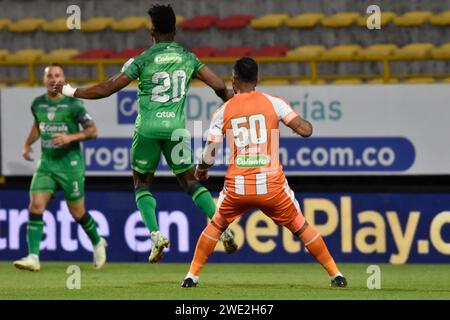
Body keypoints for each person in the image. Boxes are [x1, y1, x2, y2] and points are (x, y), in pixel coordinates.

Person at [55, 4, 237, 263]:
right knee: (190, 181)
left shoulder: (141, 60)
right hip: (175, 129)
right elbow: (220, 87)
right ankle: (223, 228)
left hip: (148, 129)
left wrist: (71, 91)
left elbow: (108, 88)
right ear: (174, 29)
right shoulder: (188, 57)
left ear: (152, 31)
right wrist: (238, 98)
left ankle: (156, 235)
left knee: (142, 184)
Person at [181, 57, 347, 288]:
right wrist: (303, 126)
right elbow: (304, 129)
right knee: (300, 226)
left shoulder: (223, 111)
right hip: (271, 185)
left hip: (239, 185)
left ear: (234, 80)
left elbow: (211, 151)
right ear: (257, 80)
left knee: (217, 224)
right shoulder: (273, 103)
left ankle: (192, 276)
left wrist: (201, 171)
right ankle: (335, 274)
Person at [13, 63, 107, 272]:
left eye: (57, 75)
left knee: (77, 213)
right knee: (36, 205)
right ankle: (33, 257)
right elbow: (39, 125)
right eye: (49, 76)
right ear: (44, 80)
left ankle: (97, 242)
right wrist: (28, 144)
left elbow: (93, 131)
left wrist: (69, 138)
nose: (53, 79)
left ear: (63, 79)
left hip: (70, 166)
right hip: (46, 164)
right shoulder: (37, 103)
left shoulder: (74, 105)